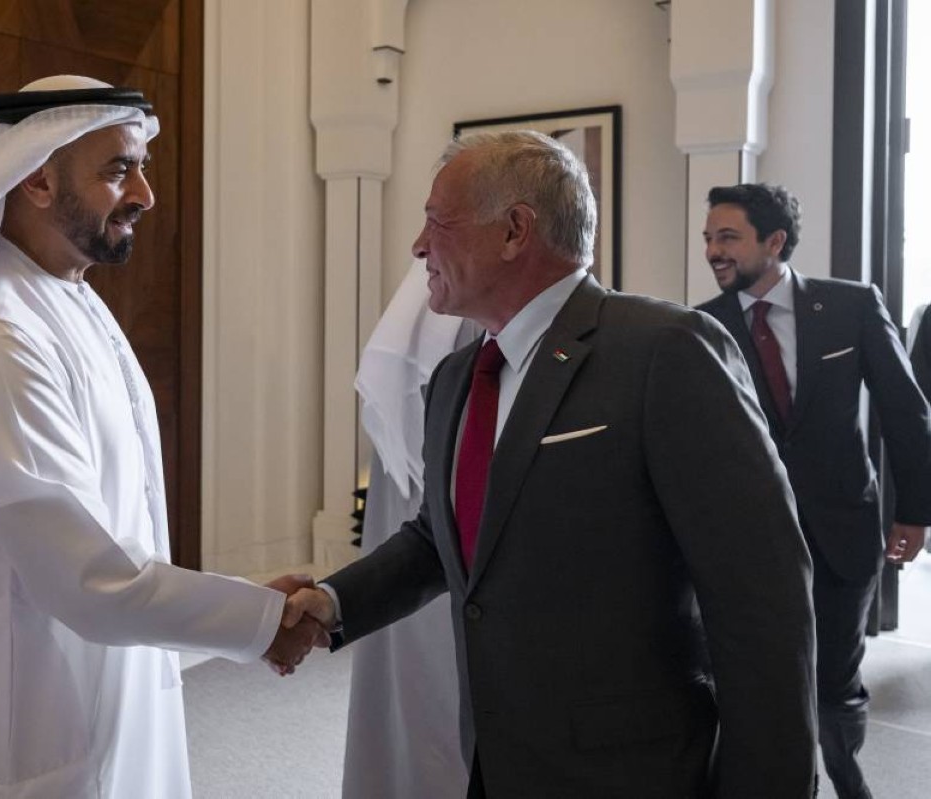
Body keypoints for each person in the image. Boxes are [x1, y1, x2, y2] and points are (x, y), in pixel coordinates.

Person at [0, 75, 323, 799]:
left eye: (141, 166)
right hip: (19, 720)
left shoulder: (61, 296)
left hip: (97, 670)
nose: (144, 193)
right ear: (37, 180)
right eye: (115, 170)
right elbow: (87, 579)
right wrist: (260, 619)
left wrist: (251, 606)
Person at [286, 131, 818, 797]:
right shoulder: (456, 377)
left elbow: (762, 600)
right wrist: (330, 603)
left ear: (514, 231)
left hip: (631, 771)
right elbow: (443, 537)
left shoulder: (665, 351)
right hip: (496, 757)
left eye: (437, 221)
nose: (420, 246)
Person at [695, 183, 931, 799]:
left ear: (774, 242)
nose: (713, 251)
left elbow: (906, 413)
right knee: (759, 680)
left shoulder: (852, 307)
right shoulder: (698, 327)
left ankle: (849, 778)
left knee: (835, 679)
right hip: (748, 539)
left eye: (728, 237)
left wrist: (915, 512)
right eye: (708, 238)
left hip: (842, 527)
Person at [345, 258, 474, 798]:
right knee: (432, 684)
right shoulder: (456, 320)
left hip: (419, 540)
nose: (422, 246)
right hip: (427, 539)